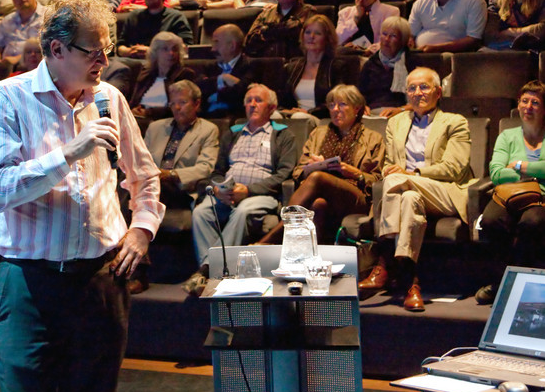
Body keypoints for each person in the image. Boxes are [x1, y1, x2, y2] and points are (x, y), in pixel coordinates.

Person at [0, 0, 162, 392]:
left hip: (100, 281)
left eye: (107, 49)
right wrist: (68, 154)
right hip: (29, 283)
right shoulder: (7, 99)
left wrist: (141, 229)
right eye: (92, 50)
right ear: (56, 49)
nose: (103, 60)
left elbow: (145, 176)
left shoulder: (111, 99)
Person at [358, 67, 473, 311]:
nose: (417, 93)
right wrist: (393, 171)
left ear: (438, 92)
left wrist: (412, 173)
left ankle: (384, 258)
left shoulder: (455, 122)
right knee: (408, 198)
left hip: (445, 191)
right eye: (412, 88)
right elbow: (391, 164)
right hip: (407, 191)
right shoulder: (396, 123)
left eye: (424, 87)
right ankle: (412, 282)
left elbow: (454, 169)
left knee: (396, 182)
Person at [184, 84, 296, 294]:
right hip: (227, 194)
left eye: (258, 100)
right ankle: (219, 275)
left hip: (261, 195)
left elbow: (284, 174)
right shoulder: (233, 133)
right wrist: (218, 189)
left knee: (242, 212)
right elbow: (217, 171)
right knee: (200, 212)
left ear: (271, 108)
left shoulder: (283, 135)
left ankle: (207, 271)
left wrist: (250, 190)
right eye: (248, 100)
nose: (252, 104)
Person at [476, 81, 545, 304]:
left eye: (535, 103)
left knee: (532, 222)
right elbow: (497, 173)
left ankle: (506, 285)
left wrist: (517, 166)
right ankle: (508, 282)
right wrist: (539, 169)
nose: (528, 107)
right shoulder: (507, 136)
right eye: (524, 101)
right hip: (511, 193)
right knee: (490, 221)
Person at [290, 85, 384, 243]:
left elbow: (379, 179)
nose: (335, 109)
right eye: (332, 105)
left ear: (356, 108)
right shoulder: (318, 134)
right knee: (318, 204)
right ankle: (314, 260)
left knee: (318, 177)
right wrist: (310, 168)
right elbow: (298, 171)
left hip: (355, 196)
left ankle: (278, 236)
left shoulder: (373, 138)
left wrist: (356, 173)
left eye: (342, 104)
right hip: (322, 194)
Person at [144, 80, 220, 217]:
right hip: (149, 185)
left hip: (179, 189)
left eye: (182, 102)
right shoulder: (155, 128)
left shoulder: (208, 130)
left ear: (196, 104)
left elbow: (206, 168)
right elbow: (141, 160)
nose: (177, 107)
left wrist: (171, 175)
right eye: (172, 103)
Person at [280, 15, 357, 121]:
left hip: (322, 119)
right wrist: (286, 110)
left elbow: (338, 100)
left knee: (300, 117)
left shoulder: (337, 67)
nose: (311, 36)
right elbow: (282, 99)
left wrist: (309, 112)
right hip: (293, 117)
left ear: (327, 39)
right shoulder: (292, 67)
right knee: (275, 117)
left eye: (317, 33)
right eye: (307, 32)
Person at [245, 0, 315, 60]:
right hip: (267, 65)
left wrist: (266, 30)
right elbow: (250, 42)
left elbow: (297, 32)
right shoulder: (266, 14)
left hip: (295, 65)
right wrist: (282, 30)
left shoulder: (308, 11)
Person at [118, 0, 193, 57]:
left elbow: (186, 47)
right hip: (134, 61)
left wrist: (151, 51)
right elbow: (120, 46)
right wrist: (128, 51)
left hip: (163, 62)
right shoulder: (134, 16)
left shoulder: (175, 17)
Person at [129, 32, 195, 120]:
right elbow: (133, 102)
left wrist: (149, 113)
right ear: (155, 52)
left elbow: (181, 108)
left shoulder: (185, 75)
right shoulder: (145, 74)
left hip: (166, 123)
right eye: (165, 49)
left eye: (174, 49)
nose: (171, 53)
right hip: (138, 119)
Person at [337, 0, 401, 51]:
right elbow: (337, 40)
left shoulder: (391, 12)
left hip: (376, 58)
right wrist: (356, 18)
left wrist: (368, 49)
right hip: (350, 58)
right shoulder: (345, 13)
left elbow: (390, 41)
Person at [198, 24, 255, 117]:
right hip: (206, 119)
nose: (213, 49)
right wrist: (222, 78)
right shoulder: (209, 67)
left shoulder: (250, 66)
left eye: (217, 42)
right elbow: (199, 88)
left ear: (232, 46)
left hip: (235, 120)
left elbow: (242, 93)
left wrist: (216, 96)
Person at [0, 0, 49, 65]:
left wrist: (17, 59)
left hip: (38, 66)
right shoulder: (6, 21)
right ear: (12, 0)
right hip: (8, 69)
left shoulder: (49, 16)